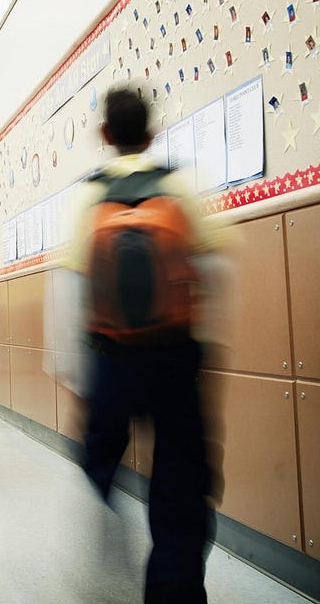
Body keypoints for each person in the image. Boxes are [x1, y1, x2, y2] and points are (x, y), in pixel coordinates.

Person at [68, 86, 223, 604]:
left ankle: (106, 507)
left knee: (97, 453)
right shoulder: (180, 187)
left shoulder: (90, 198)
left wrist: (73, 378)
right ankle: (173, 586)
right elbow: (215, 269)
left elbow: (72, 291)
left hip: (112, 359)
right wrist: (209, 352)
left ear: (105, 136)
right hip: (176, 357)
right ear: (152, 133)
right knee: (181, 479)